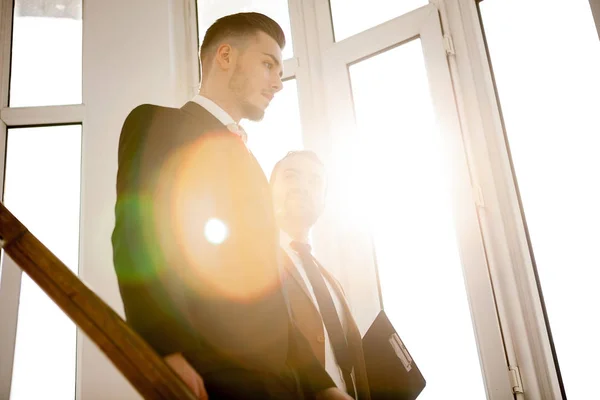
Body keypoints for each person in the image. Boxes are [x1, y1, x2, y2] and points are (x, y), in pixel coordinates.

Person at [112, 12, 347, 400]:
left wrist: (322, 385)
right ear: (225, 56)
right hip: (212, 377)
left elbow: (267, 293)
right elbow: (138, 237)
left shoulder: (254, 166)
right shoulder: (158, 124)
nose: (278, 83)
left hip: (281, 386)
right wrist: (164, 349)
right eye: (268, 64)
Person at [270, 150, 371, 400]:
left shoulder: (331, 282)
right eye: (291, 176)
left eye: (315, 182)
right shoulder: (256, 257)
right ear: (269, 190)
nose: (303, 187)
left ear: (323, 202)